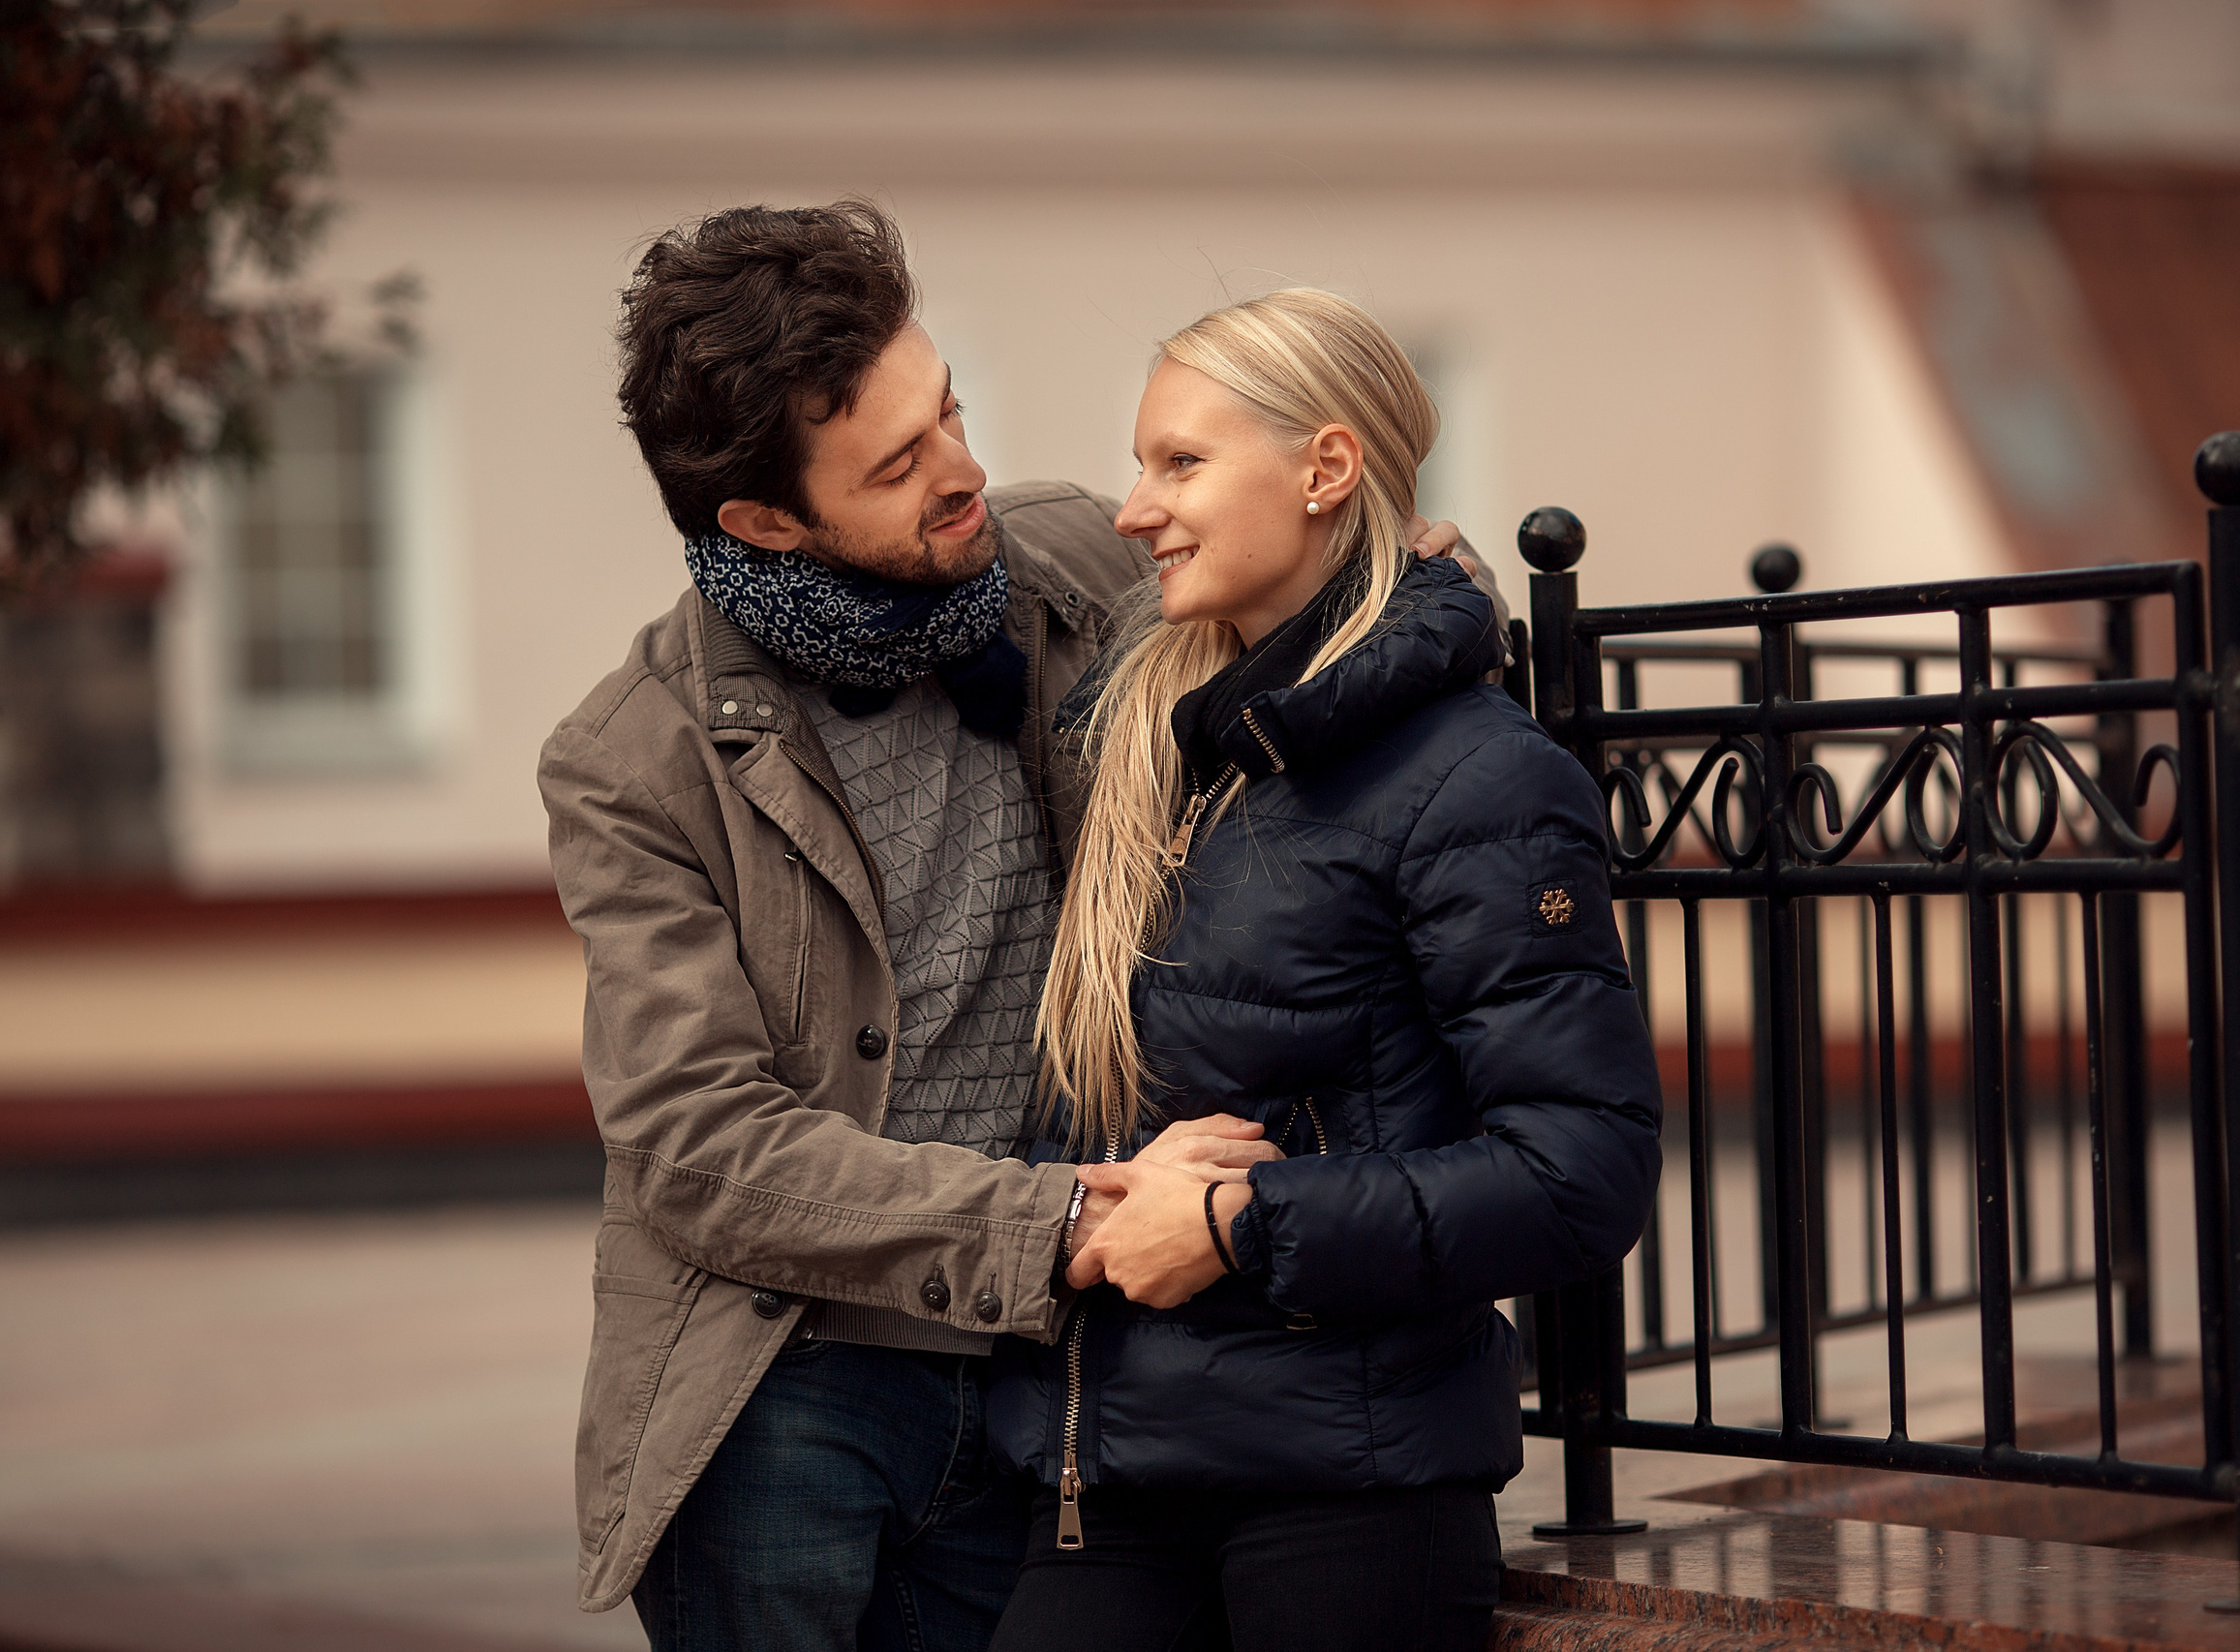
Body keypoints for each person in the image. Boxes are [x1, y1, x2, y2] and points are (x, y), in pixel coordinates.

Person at [538, 201, 1486, 1652]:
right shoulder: (632, 753)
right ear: (765, 521)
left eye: (951, 408)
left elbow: (1364, 583)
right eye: (899, 463)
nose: (964, 471)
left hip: (1053, 1376)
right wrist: (1051, 1223)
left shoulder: (1067, 569)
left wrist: (1418, 599)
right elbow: (695, 1145)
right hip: (787, 1392)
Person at [984, 289, 1665, 1652]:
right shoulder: (1145, 747)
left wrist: (1246, 1225)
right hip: (1100, 1469)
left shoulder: (1479, 780)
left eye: (1180, 462)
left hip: (1346, 1497)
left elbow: (1580, 1173)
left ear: (1327, 468)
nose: (1134, 508)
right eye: (1140, 463)